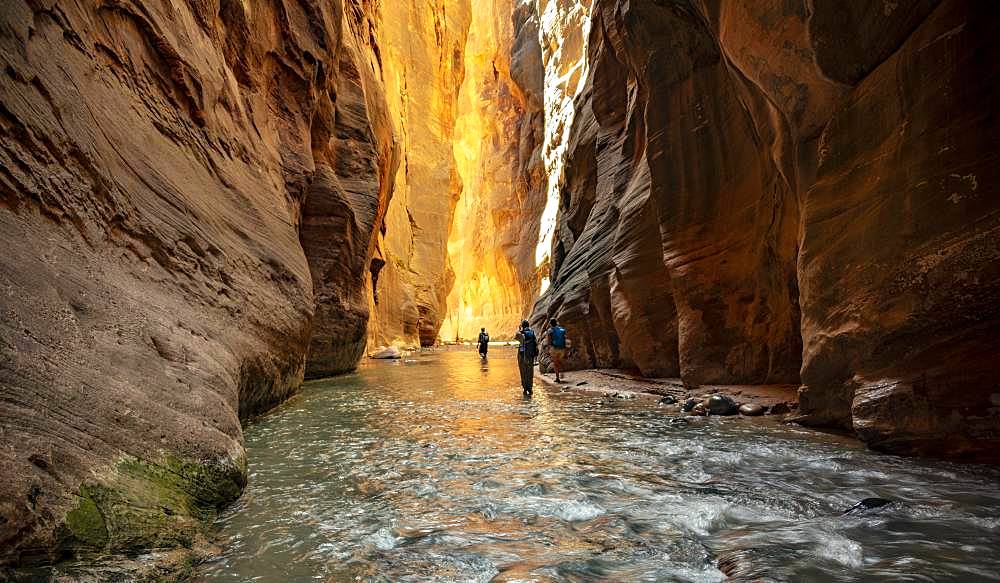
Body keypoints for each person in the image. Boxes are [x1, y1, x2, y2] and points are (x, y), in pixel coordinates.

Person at [514, 320, 538, 395]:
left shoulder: (521, 333)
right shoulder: (532, 332)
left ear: (523, 326)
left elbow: (516, 337)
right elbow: (536, 343)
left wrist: (520, 329)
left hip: (522, 355)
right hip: (530, 355)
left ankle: (525, 388)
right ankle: (530, 388)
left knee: (523, 372)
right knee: (530, 372)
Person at [543, 318, 568, 382]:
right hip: (562, 348)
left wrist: (548, 349)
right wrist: (566, 349)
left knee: (555, 363)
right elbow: (565, 339)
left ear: (551, 324)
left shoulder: (550, 330)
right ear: (556, 323)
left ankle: (557, 378)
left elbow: (549, 341)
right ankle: (562, 371)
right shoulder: (562, 330)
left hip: (554, 349)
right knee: (560, 361)